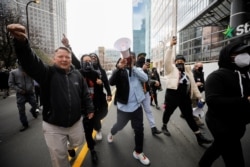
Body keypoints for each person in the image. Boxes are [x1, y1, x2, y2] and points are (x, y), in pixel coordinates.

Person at [7, 24, 95, 167]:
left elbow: (84, 93)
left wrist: (90, 108)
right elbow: (31, 62)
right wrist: (22, 44)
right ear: (54, 59)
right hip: (53, 125)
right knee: (59, 159)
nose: (64, 59)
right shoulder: (46, 73)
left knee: (78, 142)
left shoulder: (77, 75)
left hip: (76, 122)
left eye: (67, 57)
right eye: (60, 56)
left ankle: (68, 146)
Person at [199, 41, 250, 167]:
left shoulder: (246, 75)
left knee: (218, 147)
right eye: (240, 53)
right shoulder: (216, 76)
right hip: (221, 124)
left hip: (238, 124)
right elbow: (212, 101)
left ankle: (203, 164)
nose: (245, 56)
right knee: (235, 159)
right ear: (228, 56)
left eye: (246, 52)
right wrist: (245, 101)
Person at [161, 36, 212, 145]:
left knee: (189, 116)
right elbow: (166, 61)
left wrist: (200, 97)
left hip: (184, 98)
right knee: (168, 112)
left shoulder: (189, 72)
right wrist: (170, 46)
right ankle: (164, 125)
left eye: (182, 61)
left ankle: (199, 137)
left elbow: (193, 86)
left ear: (184, 62)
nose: (180, 62)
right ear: (175, 62)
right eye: (177, 61)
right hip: (172, 96)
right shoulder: (171, 70)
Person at [61, 35, 112, 141]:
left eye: (93, 59)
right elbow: (74, 60)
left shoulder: (99, 72)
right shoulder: (81, 70)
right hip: (84, 100)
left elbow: (106, 83)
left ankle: (98, 129)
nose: (91, 61)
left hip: (97, 99)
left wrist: (104, 88)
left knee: (96, 117)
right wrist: (67, 46)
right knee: (86, 119)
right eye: (88, 59)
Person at [107, 52, 150, 165]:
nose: (129, 60)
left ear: (134, 60)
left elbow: (145, 78)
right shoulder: (119, 71)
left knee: (139, 129)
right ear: (122, 59)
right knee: (119, 126)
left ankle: (138, 152)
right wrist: (118, 68)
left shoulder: (137, 70)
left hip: (136, 106)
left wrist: (133, 68)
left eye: (131, 58)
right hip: (123, 108)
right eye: (126, 58)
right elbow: (111, 82)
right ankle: (111, 132)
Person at [136, 52, 162, 135]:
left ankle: (153, 127)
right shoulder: (135, 69)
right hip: (137, 95)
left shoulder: (147, 69)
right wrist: (142, 70)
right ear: (138, 58)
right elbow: (136, 80)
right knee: (137, 113)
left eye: (144, 57)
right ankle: (137, 129)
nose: (143, 58)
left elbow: (148, 79)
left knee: (148, 110)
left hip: (146, 93)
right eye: (141, 57)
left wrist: (155, 81)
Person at [8, 63, 38, 131]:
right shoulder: (13, 72)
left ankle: (33, 111)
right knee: (21, 110)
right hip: (21, 94)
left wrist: (32, 87)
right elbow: (10, 83)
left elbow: (34, 79)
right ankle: (25, 124)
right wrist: (19, 90)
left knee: (35, 105)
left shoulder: (30, 71)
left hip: (30, 93)